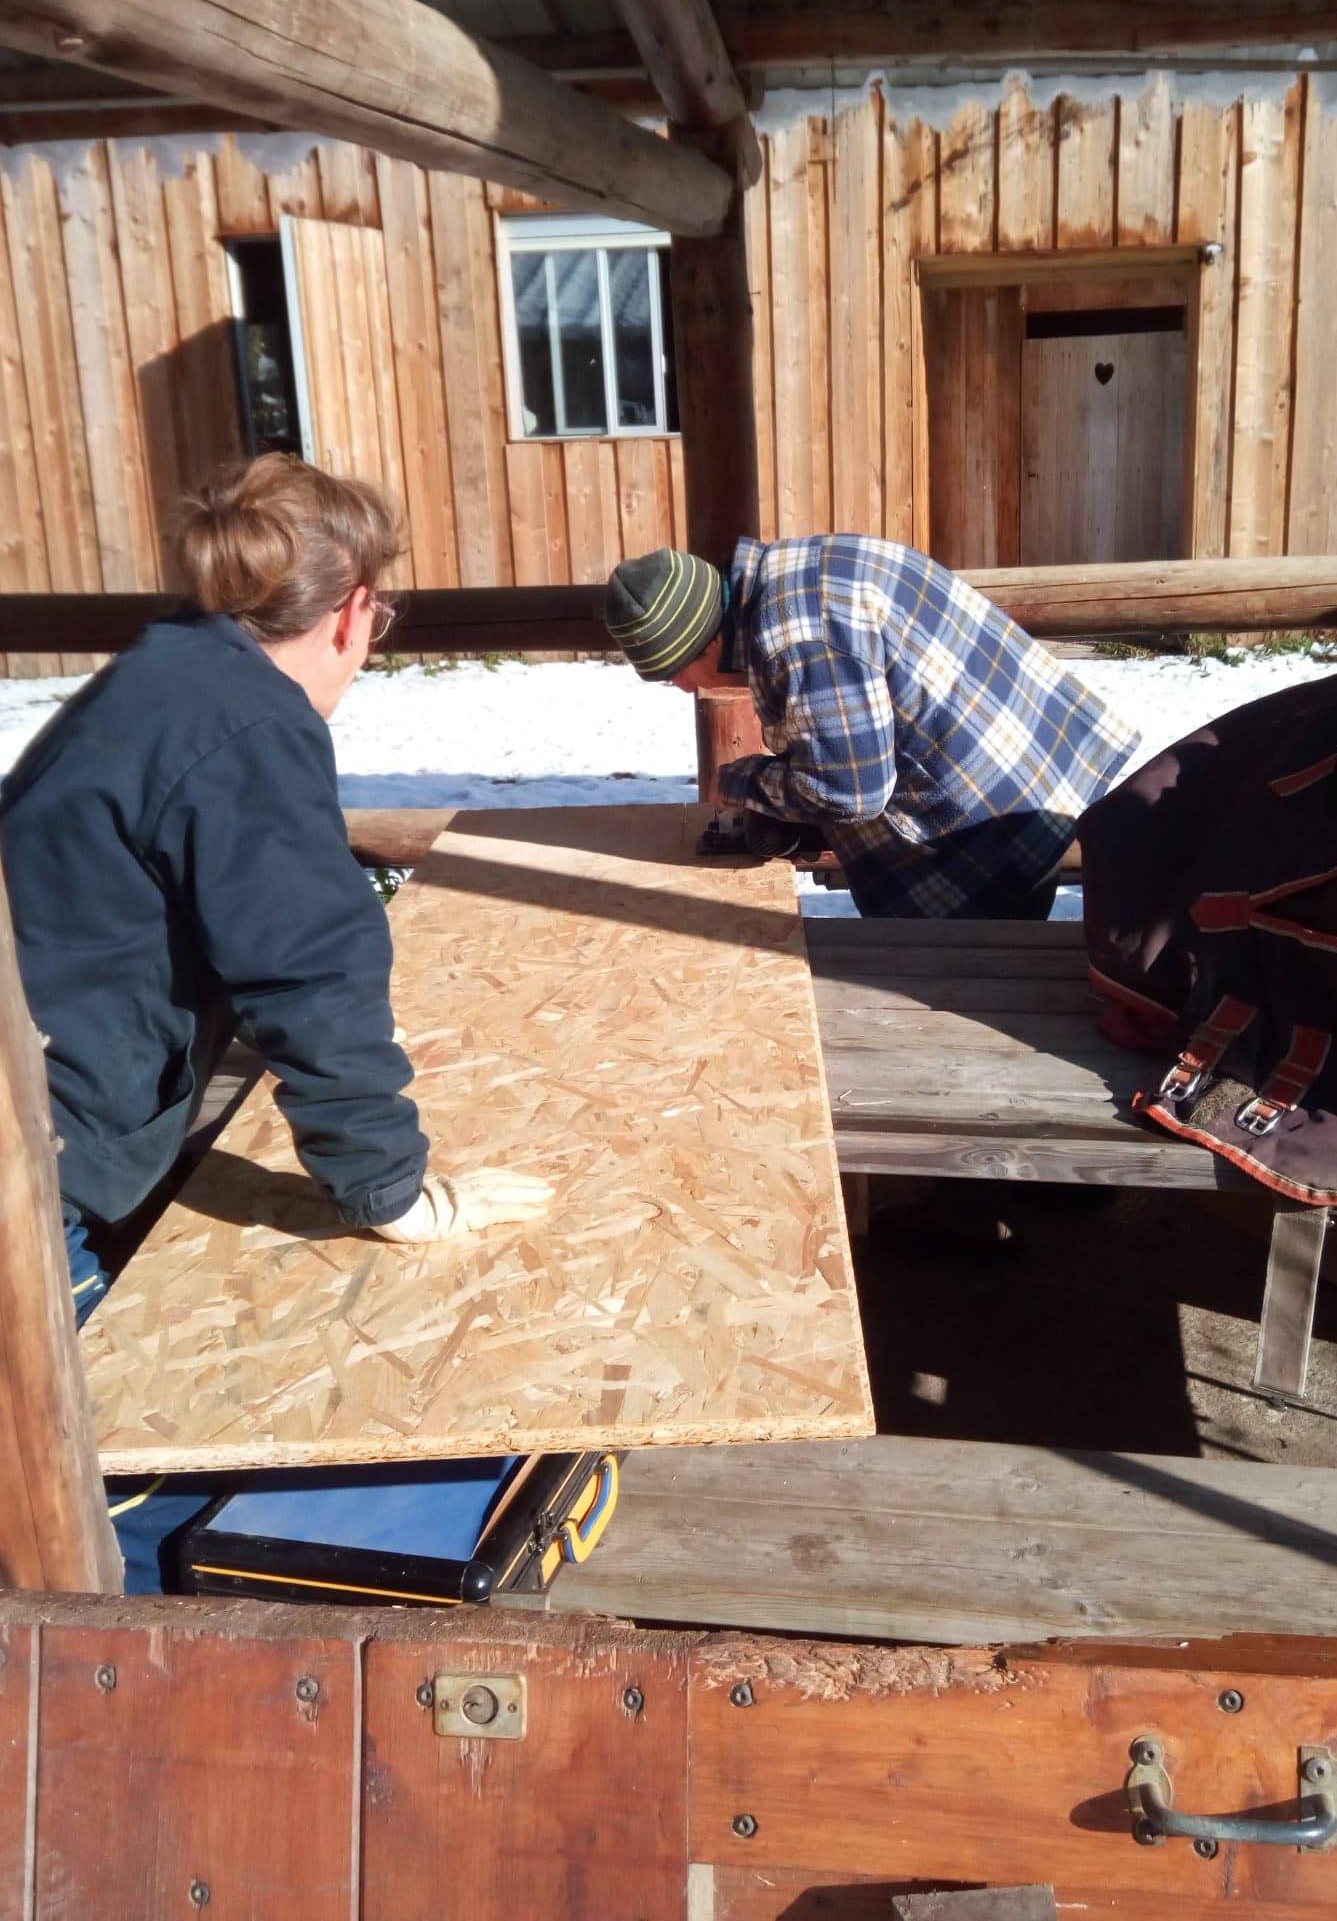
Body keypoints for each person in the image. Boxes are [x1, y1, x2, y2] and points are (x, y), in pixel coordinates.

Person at [0, 455, 551, 1588]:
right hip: (30, 1161)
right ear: (353, 612)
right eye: (383, 618)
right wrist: (391, 1189)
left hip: (45, 1098)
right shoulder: (247, 726)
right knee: (104, 1496)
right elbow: (311, 963)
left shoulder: (166, 674)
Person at [604, 536, 1139, 917]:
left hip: (995, 816)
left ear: (704, 642)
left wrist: (743, 782)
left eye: (673, 674)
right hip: (1035, 759)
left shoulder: (796, 634)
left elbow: (849, 790)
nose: (682, 689)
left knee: (958, 990)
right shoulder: (796, 568)